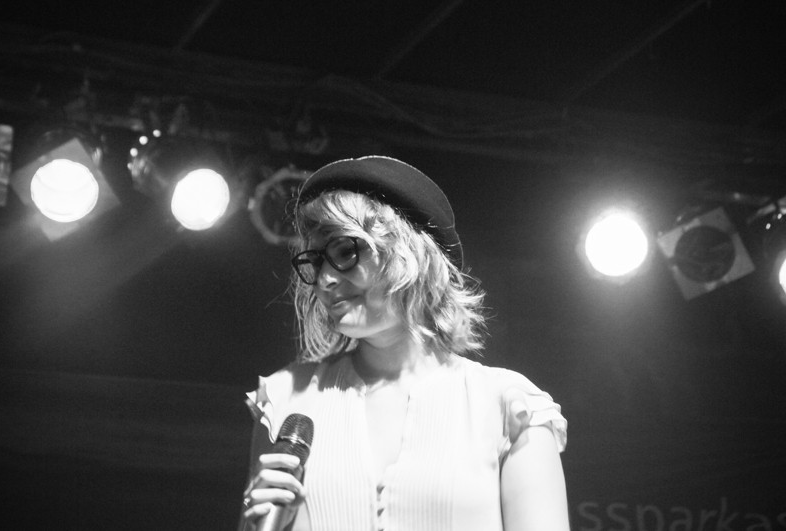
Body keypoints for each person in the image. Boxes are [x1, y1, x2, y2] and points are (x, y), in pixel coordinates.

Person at [239, 156, 569, 531]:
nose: (325, 279)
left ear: (412, 254)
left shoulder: (509, 405)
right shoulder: (286, 397)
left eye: (345, 252)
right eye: (315, 262)